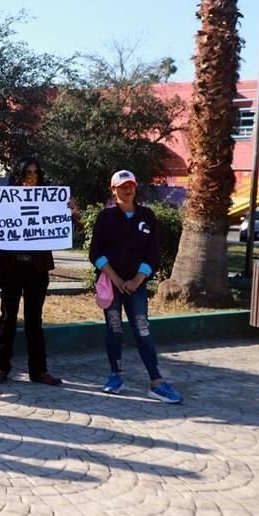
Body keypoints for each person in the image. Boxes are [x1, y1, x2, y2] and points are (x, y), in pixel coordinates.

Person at [89, 170, 183, 404]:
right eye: (121, 186)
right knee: (114, 328)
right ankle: (115, 375)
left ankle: (156, 381)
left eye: (130, 185)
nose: (127, 190)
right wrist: (117, 279)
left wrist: (136, 280)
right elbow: (96, 253)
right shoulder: (105, 217)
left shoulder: (147, 216)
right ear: (114, 190)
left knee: (142, 329)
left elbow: (152, 255)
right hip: (112, 286)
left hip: (136, 287)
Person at [0, 158, 62, 386]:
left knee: (34, 320)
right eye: (26, 172)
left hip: (37, 269)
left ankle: (38, 370)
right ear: (17, 176)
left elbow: (63, 229)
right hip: (11, 268)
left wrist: (69, 211)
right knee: (8, 318)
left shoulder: (50, 200)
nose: (31, 177)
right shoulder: (4, 202)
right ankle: (0, 367)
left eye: (35, 172)